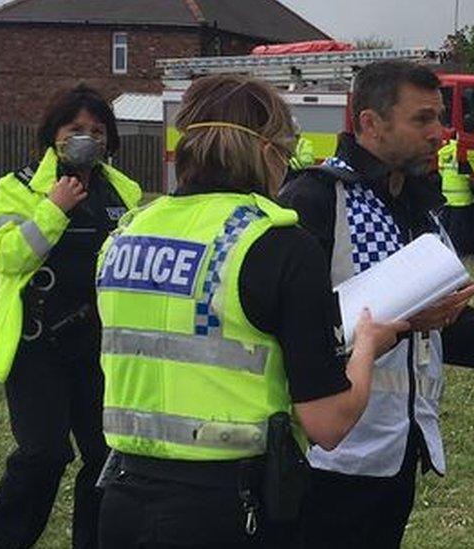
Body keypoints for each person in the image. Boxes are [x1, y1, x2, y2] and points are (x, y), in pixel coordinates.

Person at [95, 74, 408, 548]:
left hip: (123, 502)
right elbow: (328, 424)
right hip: (230, 508)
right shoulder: (278, 243)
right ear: (267, 153)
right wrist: (367, 345)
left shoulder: (125, 235)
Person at [280, 60, 474, 549]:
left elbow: (440, 332)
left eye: (440, 118)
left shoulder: (419, 205)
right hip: (328, 458)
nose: (440, 133)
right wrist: (409, 324)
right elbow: (291, 330)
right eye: (422, 119)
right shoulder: (317, 200)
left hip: (396, 451)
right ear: (370, 123)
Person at [0, 85, 142, 549]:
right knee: (44, 453)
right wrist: (54, 208)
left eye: (96, 130)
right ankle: (4, 540)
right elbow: (8, 257)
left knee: (106, 456)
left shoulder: (122, 190)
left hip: (101, 348)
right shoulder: (17, 188)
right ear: (54, 135)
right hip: (37, 347)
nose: (87, 138)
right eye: (75, 129)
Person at [437, 134, 474, 254]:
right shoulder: (461, 150)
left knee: (446, 226)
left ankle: (443, 250)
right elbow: (468, 174)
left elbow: (441, 170)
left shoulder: (443, 151)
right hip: (462, 197)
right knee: (460, 228)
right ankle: (457, 251)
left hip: (446, 195)